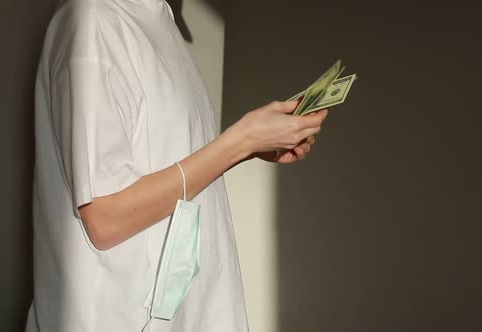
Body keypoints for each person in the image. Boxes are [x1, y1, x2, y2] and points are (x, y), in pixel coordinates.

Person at [25, 0, 328, 331]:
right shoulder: (93, 21)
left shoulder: (159, 21)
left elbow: (169, 168)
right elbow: (105, 216)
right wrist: (240, 141)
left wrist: (251, 147)